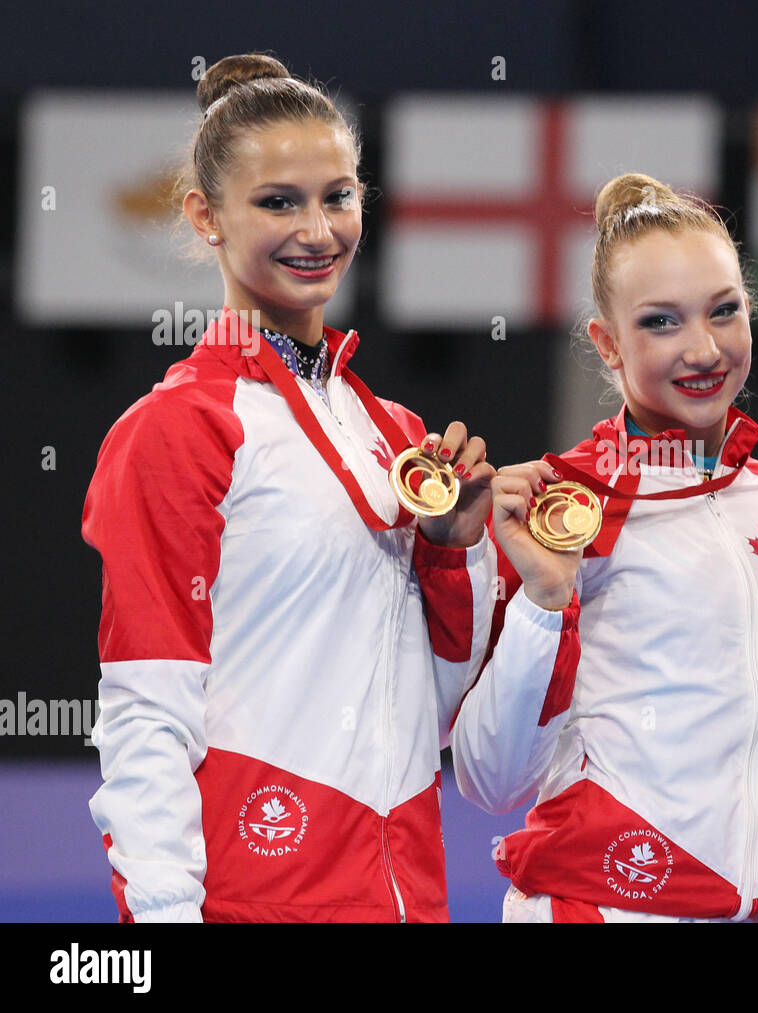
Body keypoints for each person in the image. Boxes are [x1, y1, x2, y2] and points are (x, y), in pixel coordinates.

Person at [82, 53, 497, 922]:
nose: (319, 229)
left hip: (404, 893)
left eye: (338, 196)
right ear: (207, 216)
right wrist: (161, 919)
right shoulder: (176, 430)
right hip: (254, 897)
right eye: (279, 201)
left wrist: (454, 552)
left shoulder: (392, 431)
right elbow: (147, 708)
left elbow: (438, 714)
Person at [451, 173, 758, 922]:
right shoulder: (556, 510)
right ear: (607, 344)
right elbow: (490, 778)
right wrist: (544, 604)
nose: (703, 348)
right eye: (662, 323)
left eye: (725, 311)